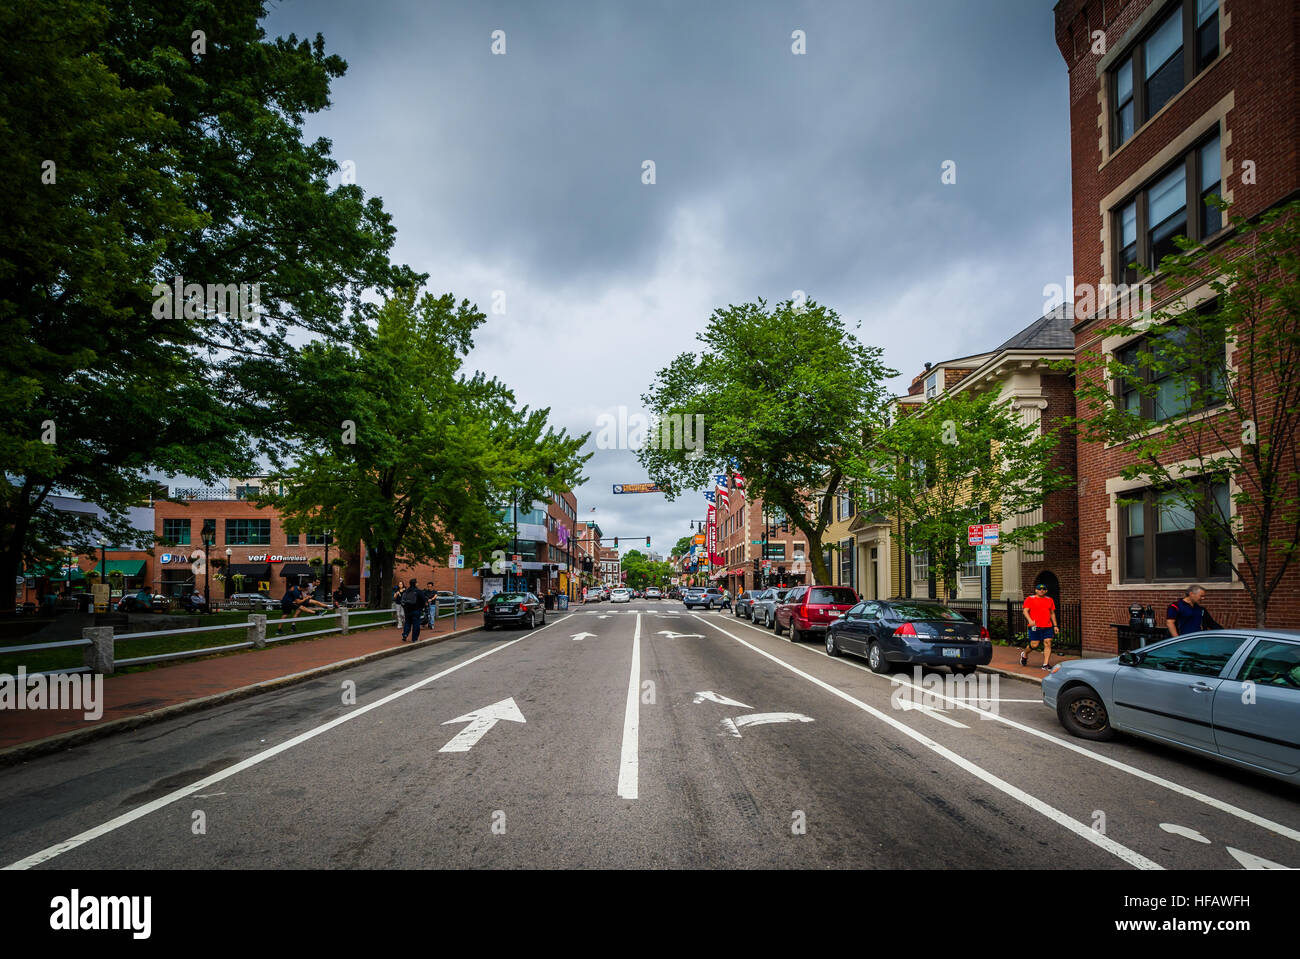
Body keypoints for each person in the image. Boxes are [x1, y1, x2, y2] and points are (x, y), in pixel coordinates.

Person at [1021, 582, 1058, 669]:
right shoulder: (1030, 599)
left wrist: (1055, 625)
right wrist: (1030, 620)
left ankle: (1045, 664)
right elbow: (1025, 611)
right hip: (1034, 626)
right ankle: (1025, 654)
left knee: (1048, 643)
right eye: (1039, 589)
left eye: (1043, 589)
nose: (1041, 590)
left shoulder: (1049, 600)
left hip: (1047, 626)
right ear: (1036, 590)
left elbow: (1052, 613)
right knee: (1034, 645)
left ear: (1046, 591)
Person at [399, 578, 428, 643]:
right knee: (416, 624)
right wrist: (422, 607)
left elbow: (402, 601)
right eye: (417, 583)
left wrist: (405, 608)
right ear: (415, 584)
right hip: (416, 610)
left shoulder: (406, 591)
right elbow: (424, 600)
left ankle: (405, 634)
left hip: (407, 610)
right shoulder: (418, 591)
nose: (418, 584)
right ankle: (414, 638)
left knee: (407, 623)